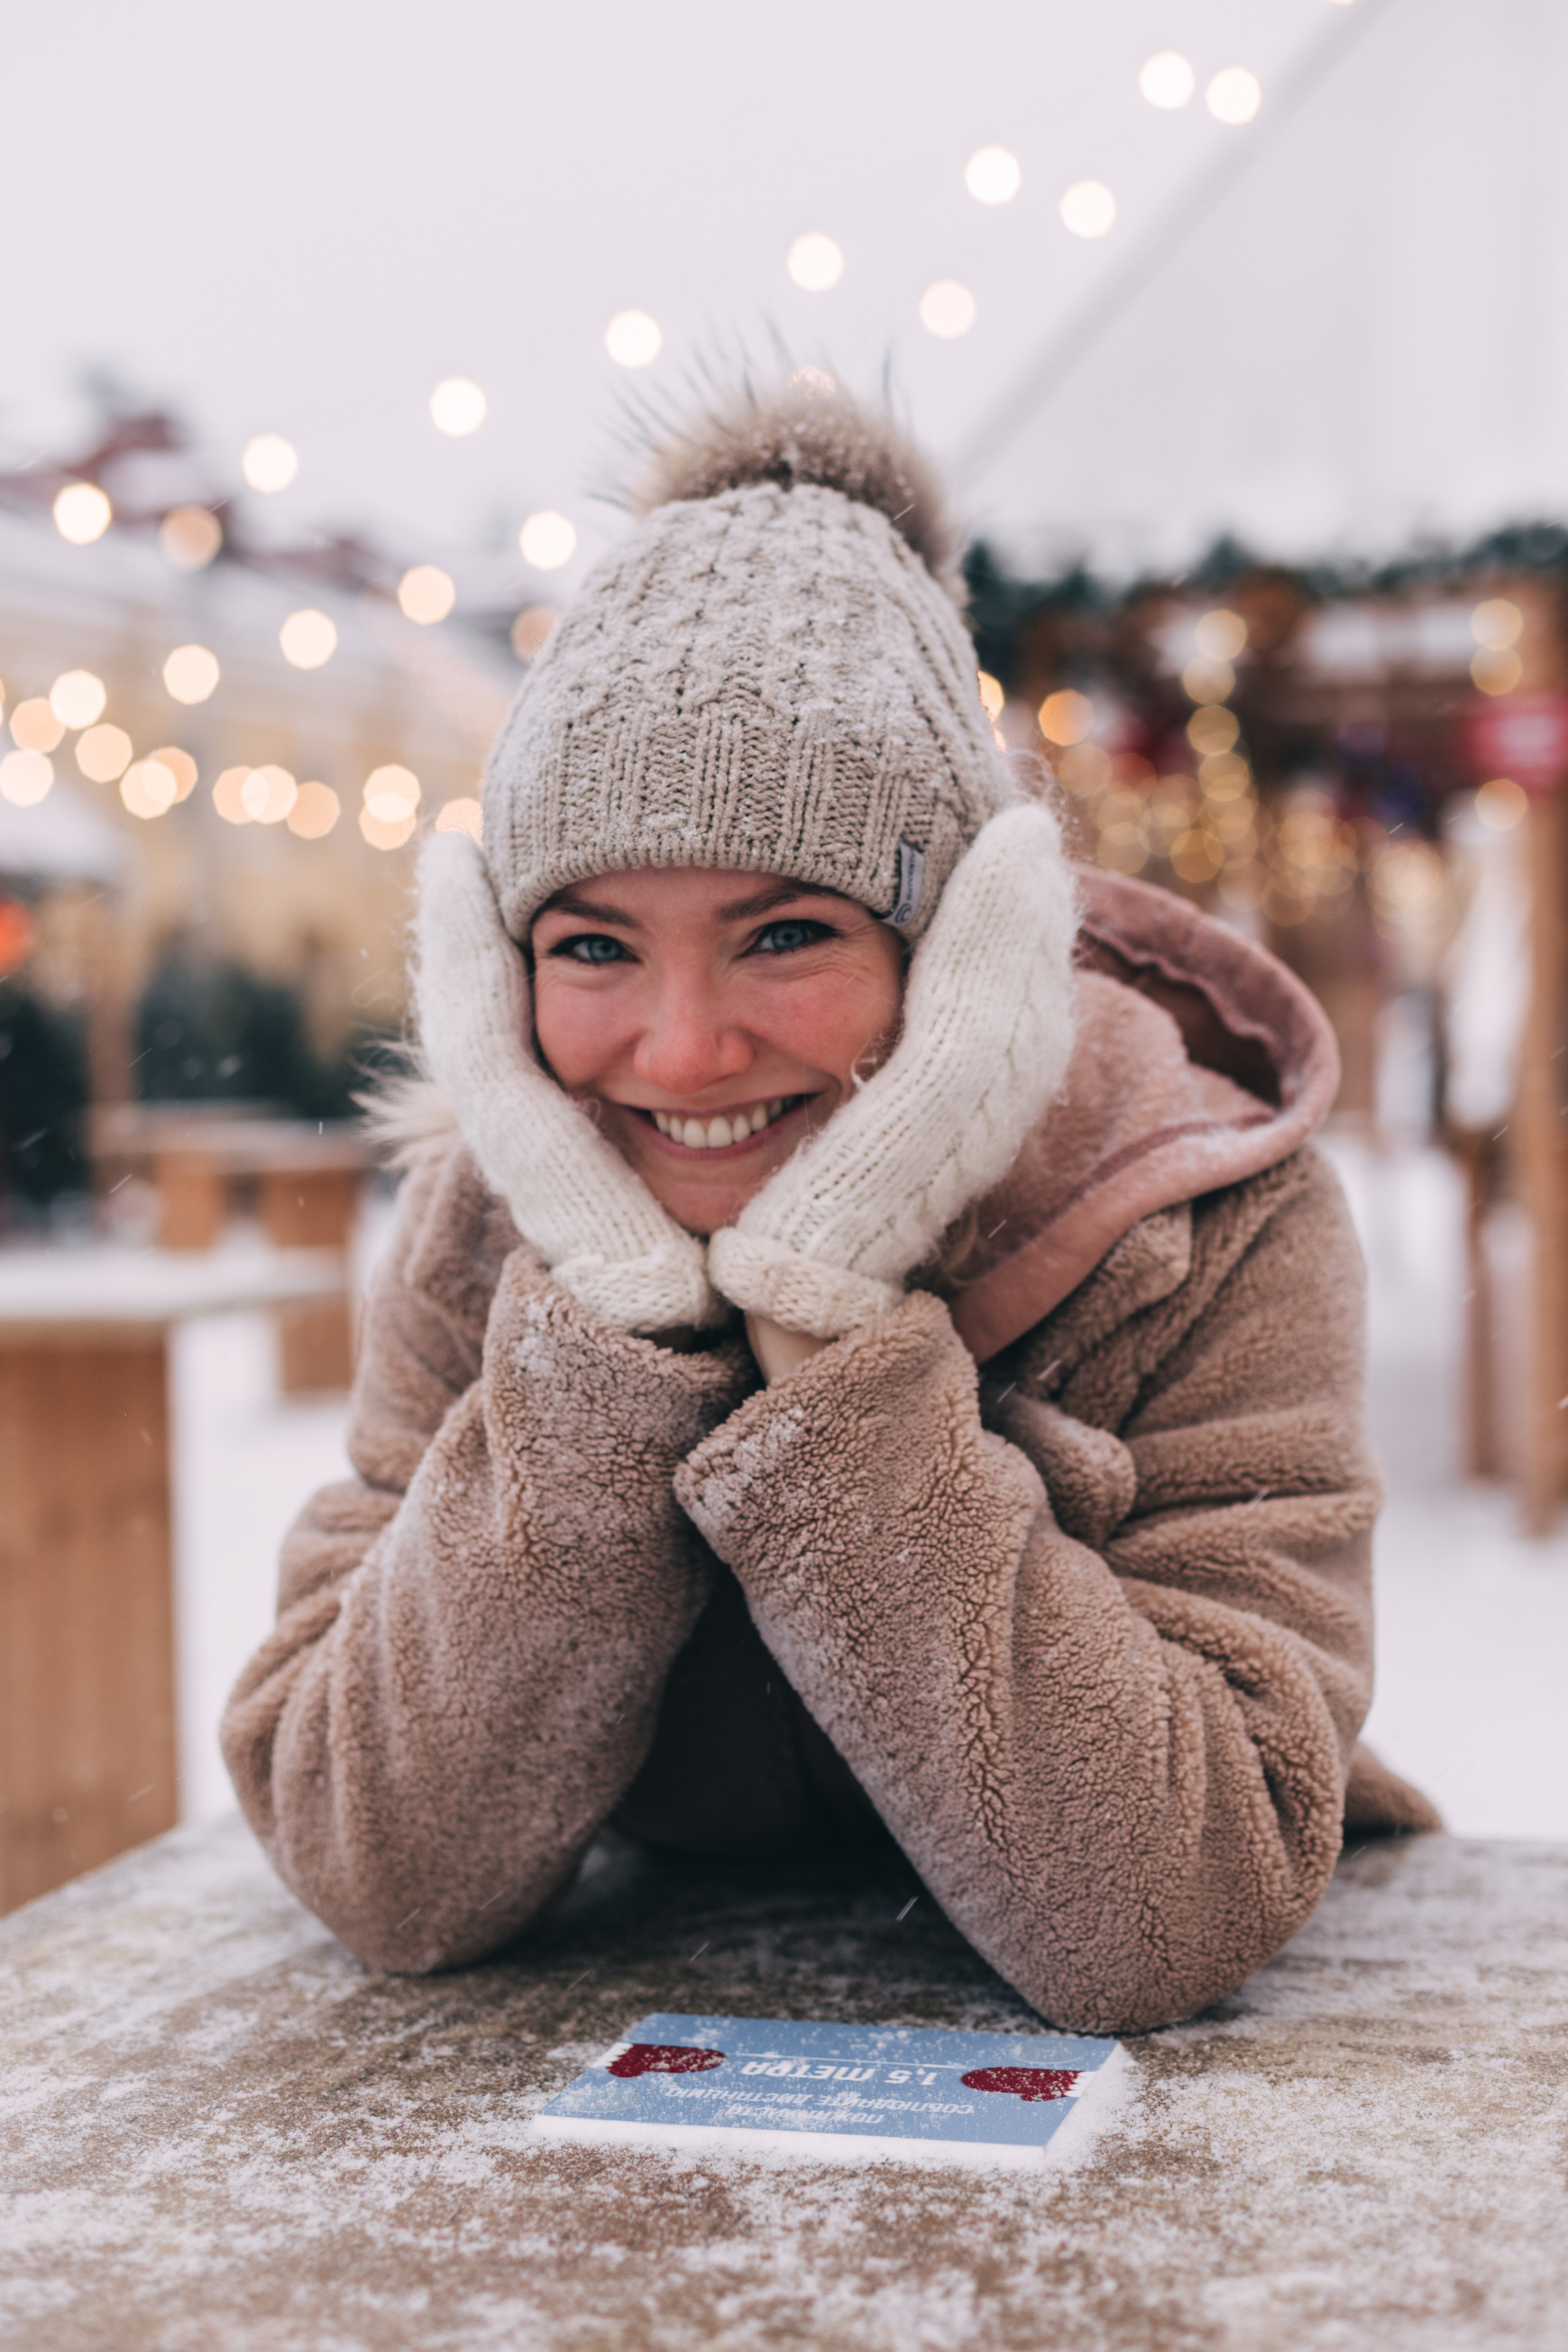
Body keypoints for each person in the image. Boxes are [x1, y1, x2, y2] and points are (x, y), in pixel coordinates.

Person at [222, 385, 1436, 2035]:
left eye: (786, 934)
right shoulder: (487, 1223)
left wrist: (834, 1348)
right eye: (593, 947)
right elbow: (384, 1871)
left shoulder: (1205, 1215)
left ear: (964, 951)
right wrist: (611, 1346)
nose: (683, 1046)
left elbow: (1162, 1916)